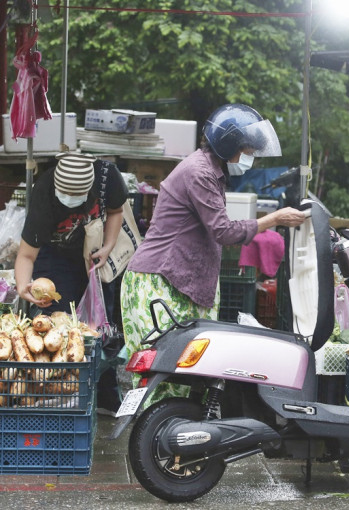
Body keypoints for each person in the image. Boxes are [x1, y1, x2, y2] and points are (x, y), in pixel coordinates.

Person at [120, 103, 306, 403]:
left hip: (181, 281)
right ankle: (154, 444)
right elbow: (224, 231)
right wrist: (273, 219)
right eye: (247, 150)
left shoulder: (212, 172)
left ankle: (175, 445)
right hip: (157, 281)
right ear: (230, 145)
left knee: (186, 375)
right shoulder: (200, 172)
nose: (250, 158)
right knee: (163, 376)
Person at [14, 151, 128, 415]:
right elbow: (26, 255)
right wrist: (23, 288)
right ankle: (56, 399)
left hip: (95, 250)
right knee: (57, 324)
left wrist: (108, 247)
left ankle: (104, 400)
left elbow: (116, 211)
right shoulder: (44, 192)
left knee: (100, 328)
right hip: (56, 255)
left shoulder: (107, 177)